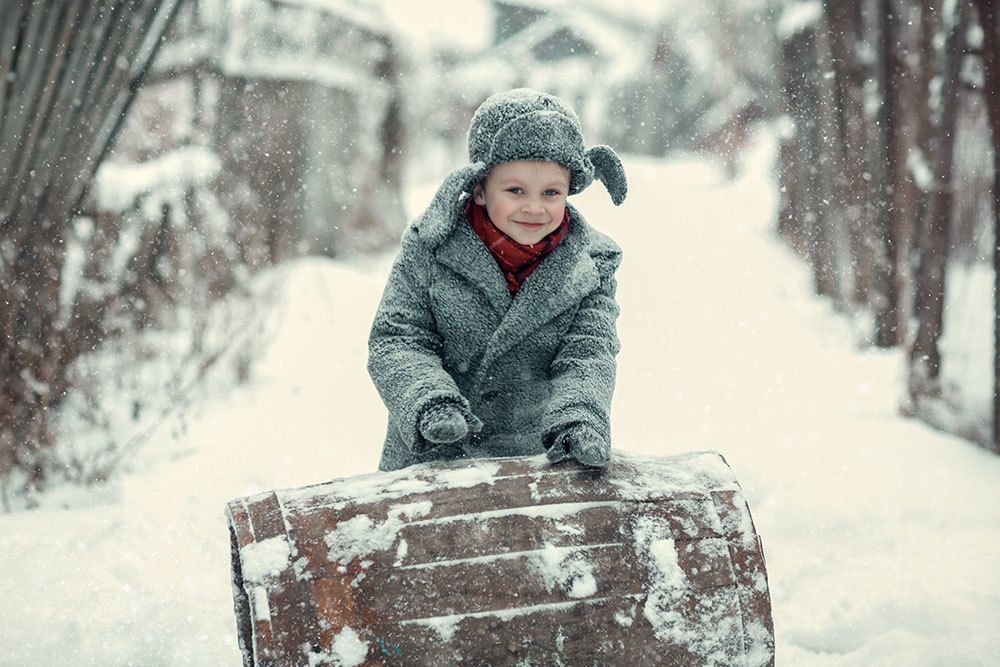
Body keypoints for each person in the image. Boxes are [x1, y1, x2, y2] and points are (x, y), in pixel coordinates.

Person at [368, 88, 627, 472]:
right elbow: (398, 337)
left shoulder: (591, 266)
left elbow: (587, 353)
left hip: (531, 464)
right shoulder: (431, 247)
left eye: (551, 192)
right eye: (515, 190)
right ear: (480, 188)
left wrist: (579, 418)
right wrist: (429, 400)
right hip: (432, 461)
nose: (535, 207)